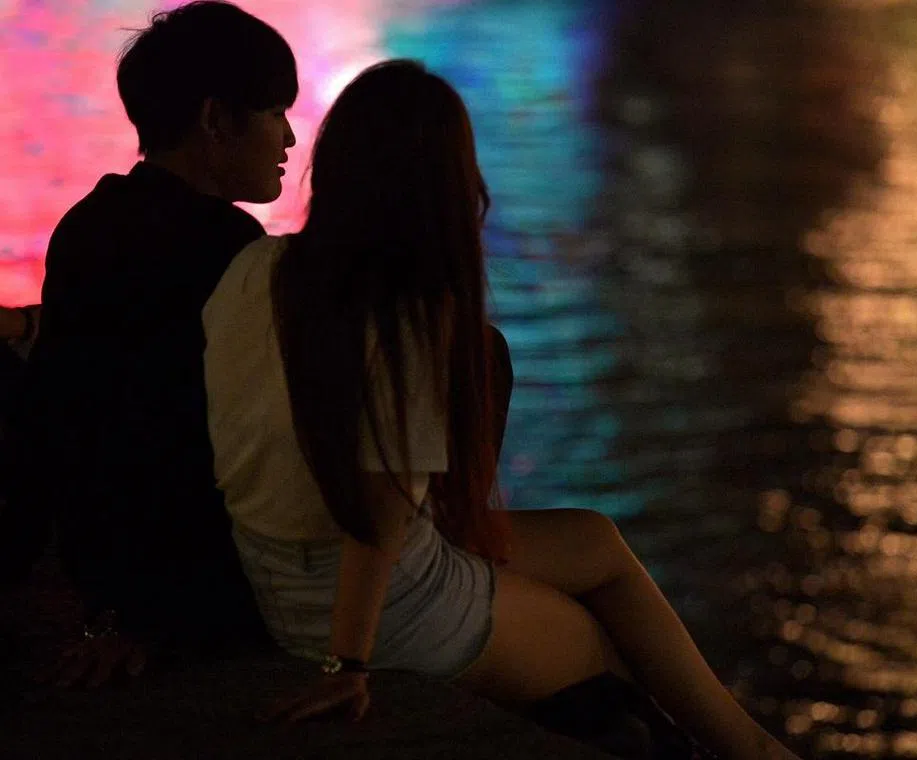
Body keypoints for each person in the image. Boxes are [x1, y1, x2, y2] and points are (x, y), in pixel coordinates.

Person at [202, 60, 801, 760]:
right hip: (379, 606)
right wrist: (347, 664)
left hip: (275, 573)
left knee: (595, 540)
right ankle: (748, 749)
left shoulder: (255, 269)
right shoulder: (405, 316)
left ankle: (749, 746)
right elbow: (377, 516)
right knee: (597, 654)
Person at [1, 1, 298, 685]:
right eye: (274, 112)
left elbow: (72, 422)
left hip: (109, 566)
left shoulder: (88, 222)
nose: (287, 138)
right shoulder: (227, 248)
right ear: (216, 119)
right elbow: (189, 445)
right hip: (198, 584)